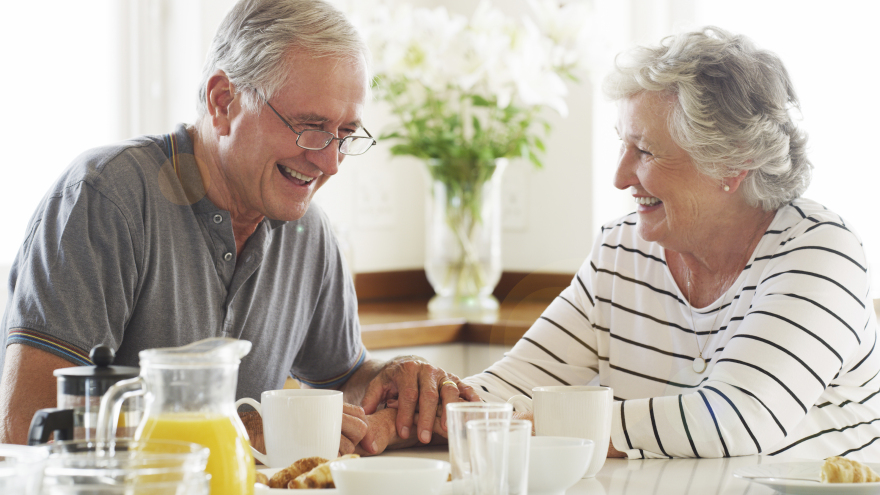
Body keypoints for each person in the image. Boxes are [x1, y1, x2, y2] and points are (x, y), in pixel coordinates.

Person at [0, 0, 477, 453]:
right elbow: (29, 427)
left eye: (345, 134)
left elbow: (341, 379)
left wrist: (390, 378)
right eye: (310, 126)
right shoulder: (105, 199)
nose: (330, 162)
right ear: (223, 101)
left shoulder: (310, 233)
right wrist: (233, 430)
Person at [464, 26, 880, 461]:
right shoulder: (620, 250)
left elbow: (735, 420)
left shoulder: (821, 253)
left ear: (731, 162)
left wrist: (541, 426)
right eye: (622, 145)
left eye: (644, 151)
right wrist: (422, 404)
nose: (620, 177)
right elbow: (511, 384)